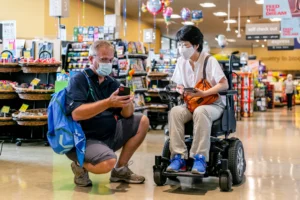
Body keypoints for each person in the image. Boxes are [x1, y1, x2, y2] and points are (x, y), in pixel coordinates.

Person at [65, 40, 149, 187]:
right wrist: (108, 103)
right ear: (91, 59)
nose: (108, 64)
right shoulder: (79, 80)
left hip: (109, 135)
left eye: (110, 60)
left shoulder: (112, 82)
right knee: (107, 163)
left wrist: (127, 101)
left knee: (142, 121)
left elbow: (128, 115)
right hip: (84, 139)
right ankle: (80, 165)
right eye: (104, 59)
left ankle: (120, 170)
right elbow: (76, 114)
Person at [167, 26, 229, 174]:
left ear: (196, 45)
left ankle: (200, 157)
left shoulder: (209, 60)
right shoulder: (181, 62)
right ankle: (178, 157)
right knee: (175, 111)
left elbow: (224, 84)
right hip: (191, 103)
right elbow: (179, 84)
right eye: (180, 45)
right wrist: (180, 89)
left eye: (186, 45)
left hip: (213, 104)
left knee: (201, 112)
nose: (182, 48)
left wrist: (204, 93)